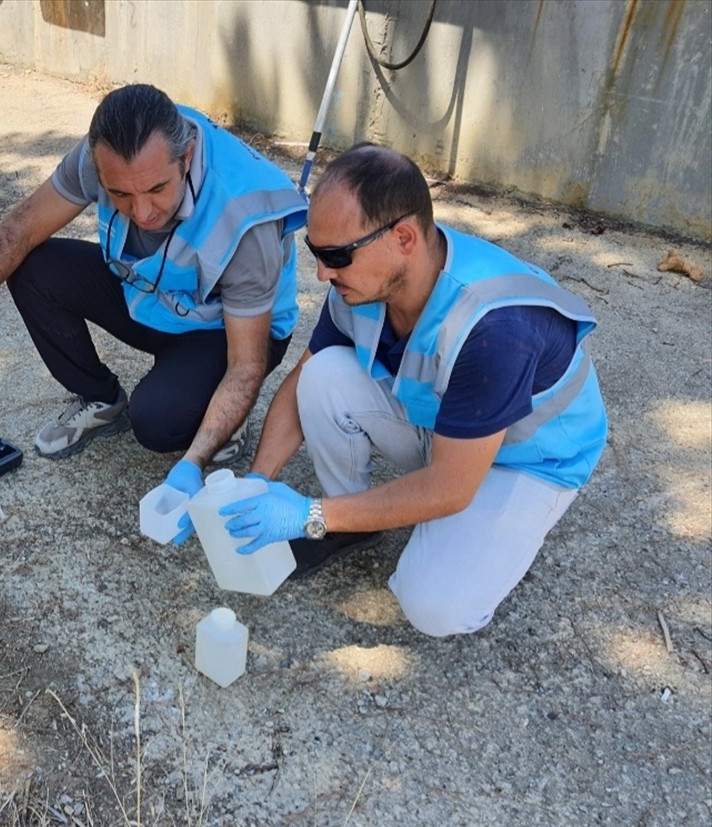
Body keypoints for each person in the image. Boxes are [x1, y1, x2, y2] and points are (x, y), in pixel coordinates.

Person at [219, 143, 608, 637]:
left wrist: (308, 514)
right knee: (323, 377)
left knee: (434, 607)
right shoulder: (367, 281)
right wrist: (258, 478)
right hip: (449, 425)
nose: (322, 273)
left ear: (403, 237)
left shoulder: (496, 329)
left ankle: (470, 532)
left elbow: (450, 486)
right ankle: (353, 520)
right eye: (315, 253)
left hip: (528, 460)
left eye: (336, 256)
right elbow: (302, 383)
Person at [0, 83, 308, 511]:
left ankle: (221, 417)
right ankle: (101, 398)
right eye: (120, 194)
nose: (142, 213)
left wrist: (193, 463)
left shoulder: (244, 219)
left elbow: (246, 364)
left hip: (226, 330)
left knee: (157, 424)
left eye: (158, 189)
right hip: (153, 295)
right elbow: (22, 229)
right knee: (32, 266)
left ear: (187, 158)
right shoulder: (101, 155)